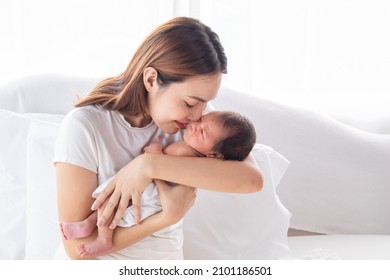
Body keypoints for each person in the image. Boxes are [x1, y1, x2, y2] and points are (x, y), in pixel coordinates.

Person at [54, 16, 263, 260]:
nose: (198, 115)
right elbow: (76, 249)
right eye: (190, 103)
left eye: (205, 105)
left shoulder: (197, 126)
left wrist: (146, 166)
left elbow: (251, 181)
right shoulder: (85, 126)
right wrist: (167, 218)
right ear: (151, 79)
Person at [59, 110, 256, 258]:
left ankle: (103, 238)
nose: (195, 122)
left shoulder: (188, 151)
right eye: (201, 120)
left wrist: (153, 152)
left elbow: (160, 164)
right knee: (108, 203)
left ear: (213, 154)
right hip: (149, 192)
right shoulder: (202, 128)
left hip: (151, 198)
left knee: (111, 205)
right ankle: (88, 224)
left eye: (202, 132)